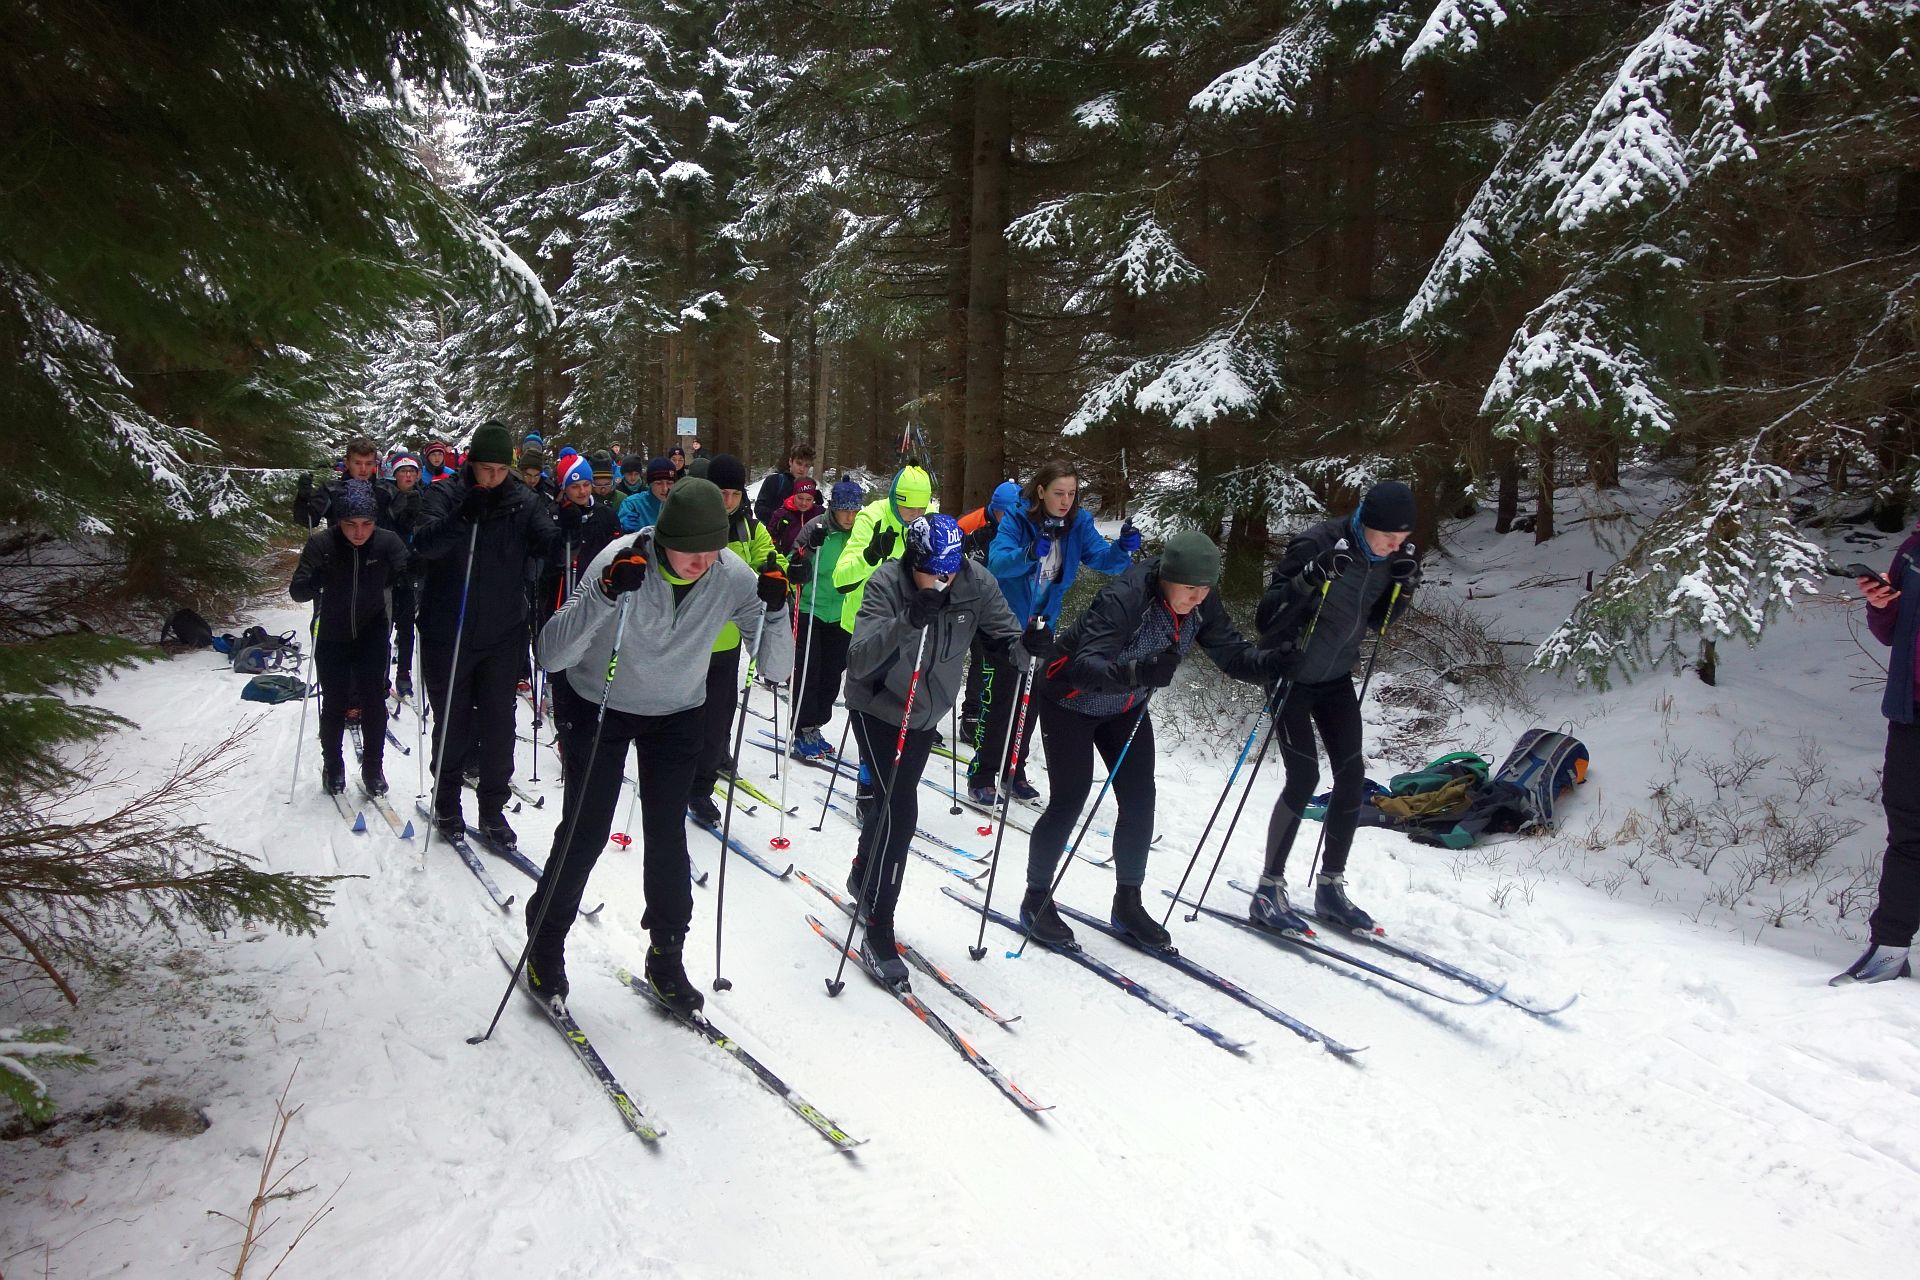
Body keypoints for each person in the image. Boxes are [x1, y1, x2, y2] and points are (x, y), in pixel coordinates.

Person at [527, 478, 793, 1014]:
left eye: (712, 549)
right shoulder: (621, 559)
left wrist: (777, 609)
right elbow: (550, 653)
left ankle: (666, 955)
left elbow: (776, 668)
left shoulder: (730, 575)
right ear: (664, 537)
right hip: (597, 701)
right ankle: (545, 942)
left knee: (668, 834)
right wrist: (604, 593)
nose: (702, 562)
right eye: (691, 549)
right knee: (587, 827)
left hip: (676, 709)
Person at [1021, 530, 1285, 950]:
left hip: (1125, 707)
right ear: (1167, 577)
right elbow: (1086, 667)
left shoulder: (1200, 600)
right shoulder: (1125, 598)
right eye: (1190, 589)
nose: (1198, 598)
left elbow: (1232, 653)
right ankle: (1035, 900)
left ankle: (1128, 904)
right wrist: (1138, 673)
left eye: (1205, 590)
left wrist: (1276, 664)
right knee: (1069, 801)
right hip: (1069, 701)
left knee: (1140, 800)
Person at [842, 515, 1033, 984]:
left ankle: (862, 873)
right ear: (913, 561)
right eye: (932, 571)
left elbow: (1007, 641)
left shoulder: (975, 582)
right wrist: (908, 621)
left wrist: (1030, 646)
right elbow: (860, 659)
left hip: (925, 713)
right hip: (878, 706)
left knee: (890, 802)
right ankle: (879, 930)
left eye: (950, 569)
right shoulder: (887, 583)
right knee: (899, 809)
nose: (943, 580)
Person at [1250, 480, 1421, 934]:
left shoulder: (1392, 556)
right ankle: (1268, 889)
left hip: (1335, 676)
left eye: (1402, 539)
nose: (1394, 546)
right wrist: (1311, 576)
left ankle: (1330, 887)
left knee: (1351, 777)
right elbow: (1266, 617)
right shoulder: (1318, 543)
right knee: (1304, 776)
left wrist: (1403, 588)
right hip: (1289, 672)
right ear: (1366, 522)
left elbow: (1378, 620)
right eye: (1388, 537)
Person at [410, 421, 558, 848]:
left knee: (499, 725)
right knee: (453, 721)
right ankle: (447, 803)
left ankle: (492, 810)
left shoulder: (522, 499)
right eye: (485, 469)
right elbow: (424, 543)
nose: (493, 477)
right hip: (448, 630)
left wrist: (565, 529)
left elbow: (547, 543)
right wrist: (461, 517)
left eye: (500, 470)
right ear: (471, 464)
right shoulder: (444, 493)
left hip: (502, 631)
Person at [973, 461, 1141, 805]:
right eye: (1059, 493)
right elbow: (997, 564)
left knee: (1032, 701)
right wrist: (1027, 553)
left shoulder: (1078, 523)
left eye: (1072, 493)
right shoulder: (1018, 519)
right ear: (1041, 491)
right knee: (1002, 699)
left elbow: (1102, 559)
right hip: (1005, 623)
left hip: (1043, 624)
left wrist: (1122, 549)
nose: (1066, 501)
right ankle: (983, 774)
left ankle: (1014, 771)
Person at [289, 481, 410, 796]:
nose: (359, 532)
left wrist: (407, 580)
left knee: (373, 700)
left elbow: (409, 572)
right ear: (340, 521)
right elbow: (297, 591)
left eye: (366, 524)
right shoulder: (322, 544)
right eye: (350, 524)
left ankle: (373, 768)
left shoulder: (387, 542)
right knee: (335, 701)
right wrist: (315, 579)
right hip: (332, 631)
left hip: (372, 628)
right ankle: (333, 765)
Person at [686, 454, 787, 827]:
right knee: (683, 721)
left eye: (734, 493)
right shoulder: (690, 523)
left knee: (716, 724)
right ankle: (674, 779)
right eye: (721, 492)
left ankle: (700, 790)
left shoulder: (750, 528)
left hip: (726, 644)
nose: (728, 500)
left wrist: (781, 576)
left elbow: (770, 560)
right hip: (688, 642)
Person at [1837, 533, 1920, 983]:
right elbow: (1893, 633)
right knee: (1909, 835)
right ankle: (1889, 952)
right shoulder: (1914, 549)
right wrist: (1882, 604)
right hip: (1912, 713)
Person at [786, 477, 864, 758]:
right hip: (811, 608)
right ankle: (802, 728)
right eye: (844, 510)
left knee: (832, 675)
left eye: (854, 511)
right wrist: (807, 550)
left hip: (842, 614)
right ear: (833, 508)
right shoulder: (816, 527)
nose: (850, 517)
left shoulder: (860, 532)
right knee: (809, 672)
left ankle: (816, 725)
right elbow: (792, 563)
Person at [832, 464, 934, 636]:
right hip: (866, 625)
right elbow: (840, 581)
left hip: (908, 625)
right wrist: (870, 557)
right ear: (895, 499)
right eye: (909, 508)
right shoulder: (871, 518)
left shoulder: (931, 517)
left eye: (921, 508)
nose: (916, 515)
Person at [957, 481, 1022, 740]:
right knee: (945, 657)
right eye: (1001, 513)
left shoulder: (1019, 526)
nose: (1005, 518)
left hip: (992, 603)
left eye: (1011, 513)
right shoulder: (972, 522)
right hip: (960, 600)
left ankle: (973, 714)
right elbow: (942, 548)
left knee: (983, 659)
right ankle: (924, 715)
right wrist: (969, 542)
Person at [539, 455, 621, 631]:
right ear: (564, 488)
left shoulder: (606, 515)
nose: (582, 491)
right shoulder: (552, 515)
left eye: (586, 484)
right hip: (560, 596)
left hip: (595, 595)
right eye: (575, 486)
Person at [386, 456, 426, 698]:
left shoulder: (425, 496)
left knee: (407, 625)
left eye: (412, 471)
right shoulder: (387, 497)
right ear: (395, 475)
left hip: (412, 570)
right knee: (385, 625)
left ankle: (404, 675)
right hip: (389, 571)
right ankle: (381, 677)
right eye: (403, 471)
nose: (408, 475)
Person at [294, 437, 394, 529]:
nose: (363, 469)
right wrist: (303, 498)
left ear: (374, 464)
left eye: (368, 463)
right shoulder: (331, 490)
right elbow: (308, 520)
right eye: (357, 463)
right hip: (338, 542)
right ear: (347, 463)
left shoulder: (386, 491)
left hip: (380, 542)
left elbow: (402, 522)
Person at [753, 441, 817, 525]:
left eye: (806, 466)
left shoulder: (810, 488)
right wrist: (779, 518)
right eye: (799, 463)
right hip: (775, 531)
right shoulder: (775, 481)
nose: (802, 469)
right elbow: (759, 509)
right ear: (790, 461)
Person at [617, 457, 677, 533]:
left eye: (669, 483)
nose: (665, 489)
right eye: (658, 483)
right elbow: (617, 534)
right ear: (650, 484)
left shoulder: (680, 504)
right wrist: (623, 529)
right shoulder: (633, 504)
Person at [766, 476, 819, 555]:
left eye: (809, 499)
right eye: (800, 498)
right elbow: (769, 538)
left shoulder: (819, 513)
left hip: (813, 559)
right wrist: (775, 545)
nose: (804, 503)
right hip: (786, 559)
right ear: (794, 495)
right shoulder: (781, 514)